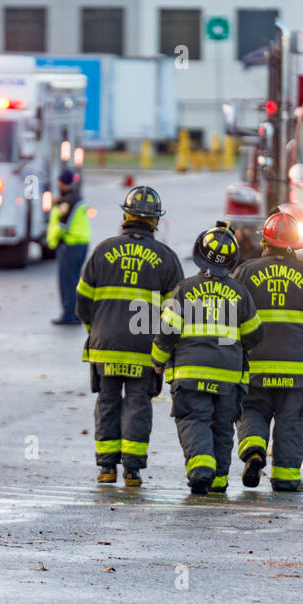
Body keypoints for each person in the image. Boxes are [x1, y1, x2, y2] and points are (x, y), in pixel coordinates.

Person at [75, 186, 184, 487]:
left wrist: (94, 330)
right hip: (144, 350)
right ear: (155, 222)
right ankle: (133, 471)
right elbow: (176, 313)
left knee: (107, 402)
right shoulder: (166, 258)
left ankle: (106, 468)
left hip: (105, 347)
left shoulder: (103, 250)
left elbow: (83, 301)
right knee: (138, 404)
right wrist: (165, 351)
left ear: (126, 215)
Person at [151, 222, 264, 495]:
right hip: (228, 377)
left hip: (191, 374)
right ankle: (219, 481)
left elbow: (167, 331)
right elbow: (255, 334)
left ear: (199, 255)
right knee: (223, 426)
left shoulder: (185, 289)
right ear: (232, 260)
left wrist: (158, 360)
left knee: (193, 418)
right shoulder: (239, 292)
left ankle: (201, 470)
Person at [233, 209, 303, 492]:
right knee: (290, 421)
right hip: (295, 369)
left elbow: (229, 314)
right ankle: (286, 479)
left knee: (252, 409)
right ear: (296, 243)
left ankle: (254, 450)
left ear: (265, 242)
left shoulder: (245, 272)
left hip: (255, 364)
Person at [47, 169, 90, 325]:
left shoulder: (69, 201)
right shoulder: (73, 197)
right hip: (79, 243)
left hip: (72, 244)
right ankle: (73, 313)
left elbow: (63, 224)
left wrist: (51, 240)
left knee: (68, 281)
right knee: (73, 280)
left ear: (62, 182)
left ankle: (70, 314)